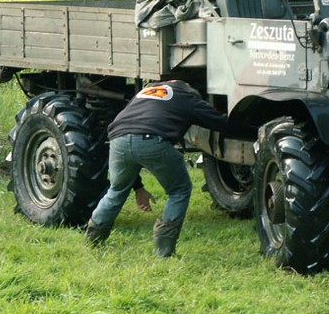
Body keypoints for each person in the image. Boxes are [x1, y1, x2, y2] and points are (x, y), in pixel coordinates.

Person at [84, 80, 228, 257]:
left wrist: (138, 187)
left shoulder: (145, 92)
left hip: (117, 139)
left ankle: (92, 240)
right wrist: (255, 130)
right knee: (179, 189)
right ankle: (164, 250)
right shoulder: (187, 97)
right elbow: (221, 123)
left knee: (116, 190)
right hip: (151, 140)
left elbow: (131, 140)